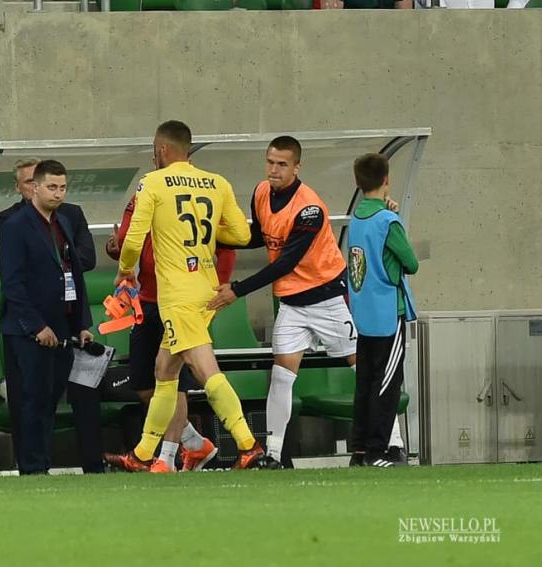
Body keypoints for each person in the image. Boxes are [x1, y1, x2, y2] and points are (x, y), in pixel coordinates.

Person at [208, 136, 407, 468]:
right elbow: (259, 235)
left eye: (282, 164)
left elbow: (286, 261)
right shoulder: (260, 192)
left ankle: (392, 443)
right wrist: (214, 235)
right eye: (270, 162)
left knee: (366, 369)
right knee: (282, 375)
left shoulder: (309, 208)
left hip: (328, 299)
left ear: (297, 167)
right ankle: (273, 454)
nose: (274, 169)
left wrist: (237, 290)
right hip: (292, 304)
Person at [104, 120, 265, 472]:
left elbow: (132, 239)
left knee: (205, 369)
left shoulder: (153, 182)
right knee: (165, 369)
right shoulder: (217, 182)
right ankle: (143, 454)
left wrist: (125, 270)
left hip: (176, 293)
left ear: (161, 150)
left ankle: (248, 443)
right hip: (204, 286)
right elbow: (239, 234)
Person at [104, 194, 236, 472]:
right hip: (147, 300)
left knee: (173, 381)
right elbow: (131, 241)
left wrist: (222, 284)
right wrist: (117, 249)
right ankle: (196, 444)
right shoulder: (143, 195)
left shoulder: (201, 193)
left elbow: (227, 244)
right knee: (144, 385)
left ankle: (165, 458)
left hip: (180, 301)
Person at [0, 158, 102, 473]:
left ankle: (42, 464)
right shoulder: (15, 226)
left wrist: (81, 323)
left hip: (62, 328)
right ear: (34, 188)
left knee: (49, 402)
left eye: (63, 187)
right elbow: (12, 284)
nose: (58, 193)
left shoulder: (64, 222)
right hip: (29, 331)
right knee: (31, 403)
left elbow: (74, 275)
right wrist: (36, 326)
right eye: (51, 187)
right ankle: (32, 468)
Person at [346, 154, 418, 467]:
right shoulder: (388, 221)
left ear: (358, 182)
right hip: (389, 313)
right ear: (386, 180)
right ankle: (378, 451)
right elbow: (411, 263)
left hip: (363, 313)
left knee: (364, 384)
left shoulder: (356, 219)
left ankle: (360, 450)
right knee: (386, 385)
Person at [0, 158, 96, 271]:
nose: (35, 187)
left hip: (71, 286)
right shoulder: (8, 219)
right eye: (29, 182)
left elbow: (88, 259)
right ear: (17, 187)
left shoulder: (72, 213)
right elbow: (13, 264)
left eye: (38, 181)